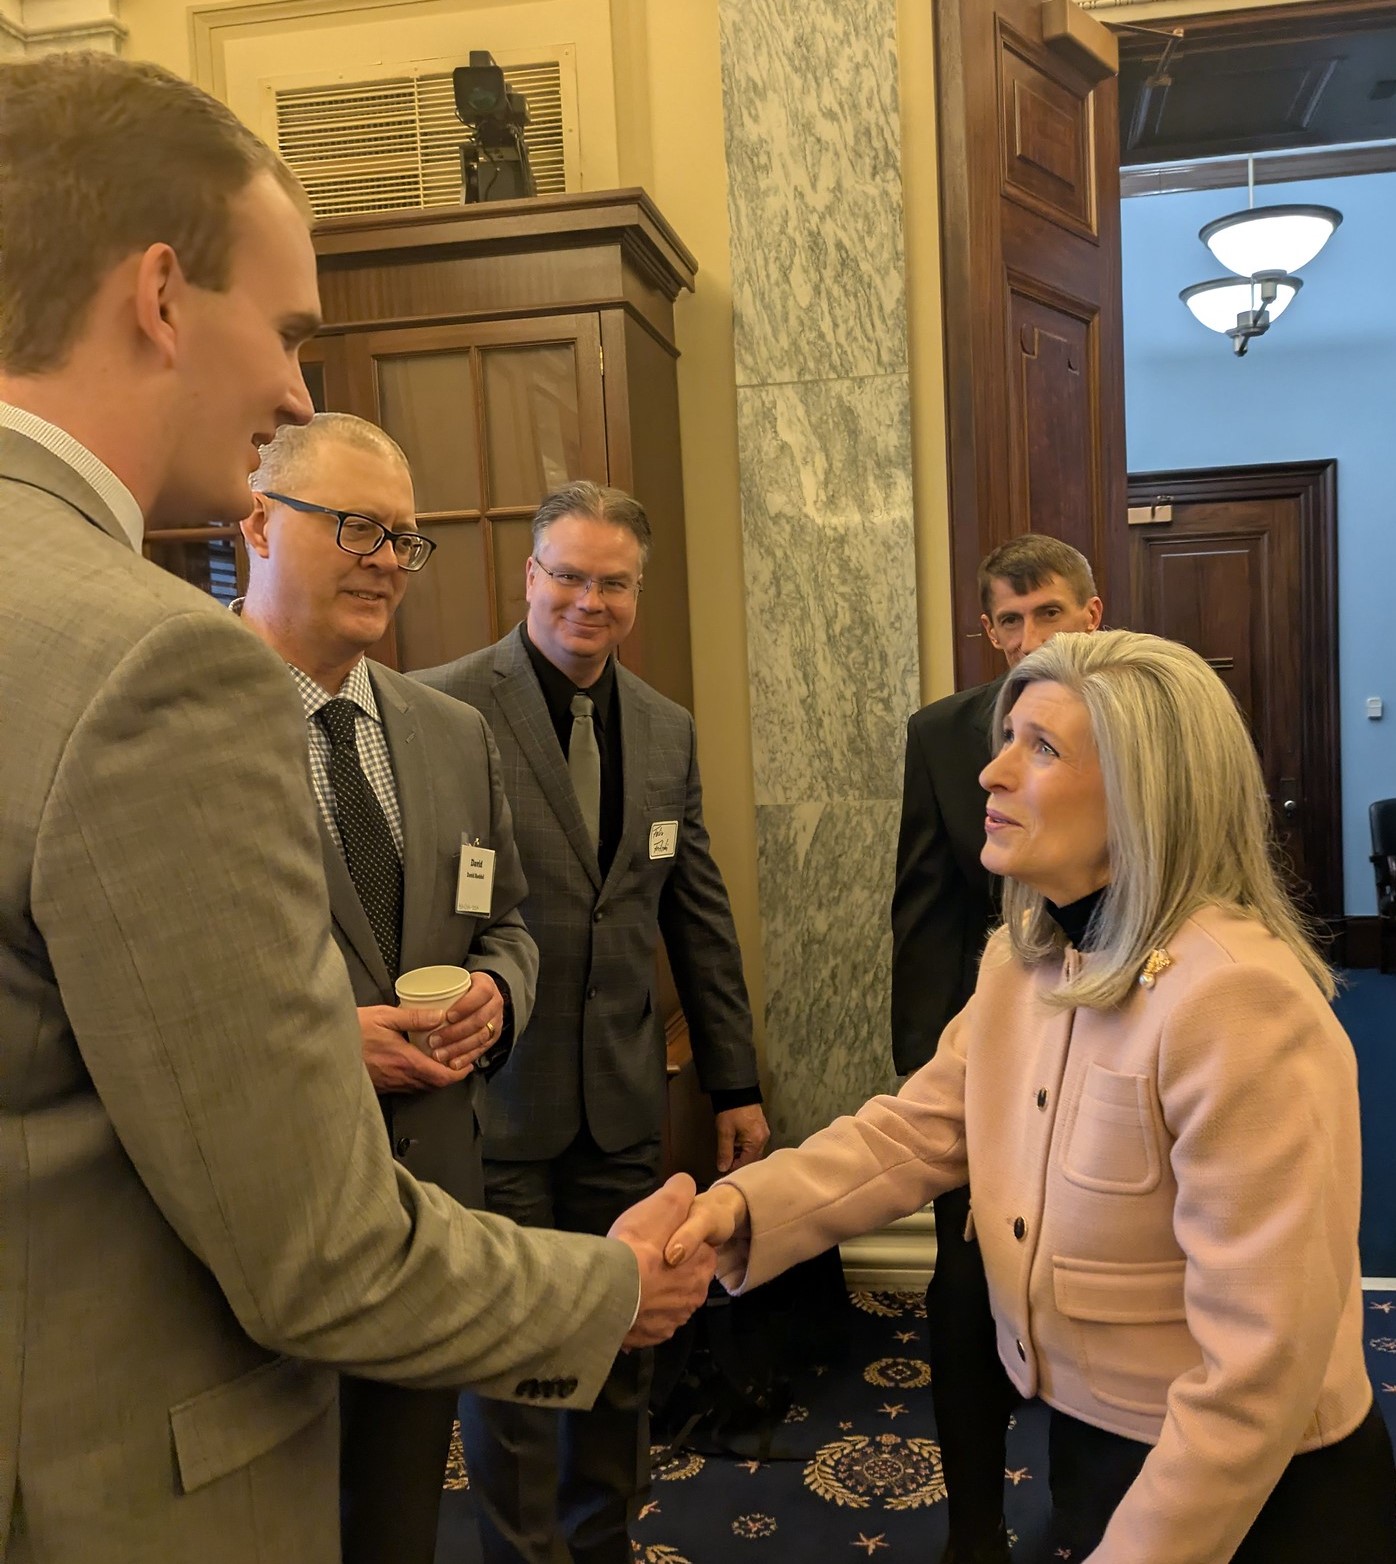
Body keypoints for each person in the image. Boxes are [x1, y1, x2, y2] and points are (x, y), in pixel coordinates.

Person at [0, 52, 714, 1564]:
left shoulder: (440, 730)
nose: (293, 386)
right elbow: (307, 1253)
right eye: (291, 327)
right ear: (161, 296)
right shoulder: (153, 667)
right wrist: (607, 1290)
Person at [673, 629, 1396, 1564]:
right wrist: (732, 1208)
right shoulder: (1024, 960)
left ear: (1147, 793)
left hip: (1260, 1490)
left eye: (1041, 748)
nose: (990, 774)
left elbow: (1259, 1375)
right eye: (1007, 736)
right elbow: (912, 1135)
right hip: (1093, 1437)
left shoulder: (1236, 1001)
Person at [414, 479, 770, 1564]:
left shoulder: (664, 731)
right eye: (568, 574)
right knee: (515, 1364)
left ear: (635, 592)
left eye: (612, 582)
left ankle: (602, 1546)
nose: (589, 600)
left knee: (627, 1346)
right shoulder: (443, 709)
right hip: (496, 1103)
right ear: (530, 575)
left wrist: (735, 1080)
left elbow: (697, 916)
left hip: (621, 1104)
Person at [238, 412, 541, 1564]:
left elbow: (505, 918)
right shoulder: (183, 723)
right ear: (261, 525)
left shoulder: (449, 730)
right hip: (269, 1224)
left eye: (404, 541)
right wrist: (325, 1039)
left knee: (400, 1520)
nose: (384, 561)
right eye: (356, 526)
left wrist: (496, 996)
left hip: (431, 1204)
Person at [891, 534, 1101, 1564]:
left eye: (1048, 613)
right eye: (1009, 621)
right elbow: (922, 921)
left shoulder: (1144, 722)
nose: (1028, 637)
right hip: (982, 1062)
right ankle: (972, 1527)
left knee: (1091, 1289)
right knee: (966, 1295)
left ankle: (1080, 1509)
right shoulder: (942, 738)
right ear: (986, 630)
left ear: (1091, 614)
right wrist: (928, 1087)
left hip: (1106, 1056)